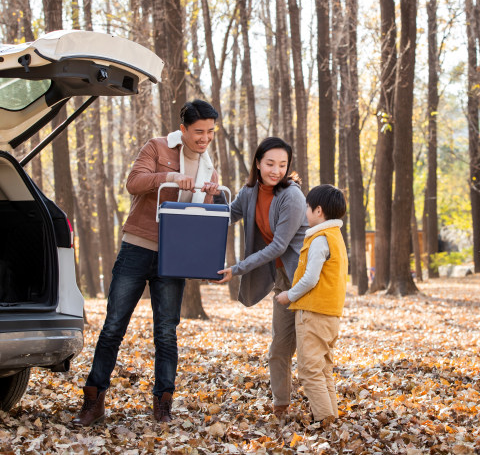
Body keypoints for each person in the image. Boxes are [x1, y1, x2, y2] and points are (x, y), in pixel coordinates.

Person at [72, 99, 221, 426]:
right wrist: (168, 177)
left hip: (175, 256)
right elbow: (134, 183)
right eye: (199, 132)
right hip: (137, 247)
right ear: (183, 129)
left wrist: (211, 195)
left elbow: (202, 218)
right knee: (113, 326)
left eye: (210, 132)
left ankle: (163, 404)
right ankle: (93, 402)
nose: (205, 138)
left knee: (166, 332)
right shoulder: (157, 147)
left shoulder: (209, 166)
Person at [216, 137, 307, 418]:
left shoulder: (291, 196)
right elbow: (225, 216)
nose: (276, 170)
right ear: (258, 163)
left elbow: (279, 246)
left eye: (282, 165)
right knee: (279, 346)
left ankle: (323, 410)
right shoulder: (250, 192)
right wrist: (210, 195)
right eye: (270, 163)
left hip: (306, 278)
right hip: (282, 279)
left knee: (310, 352)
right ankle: (281, 407)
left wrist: (237, 268)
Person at [276, 184, 348, 425]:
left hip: (314, 314)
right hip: (330, 314)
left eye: (307, 207)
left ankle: (325, 421)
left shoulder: (320, 239)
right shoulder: (336, 237)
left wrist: (289, 295)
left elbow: (310, 278)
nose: (306, 212)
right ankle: (332, 420)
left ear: (318, 211)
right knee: (324, 369)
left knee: (309, 370)